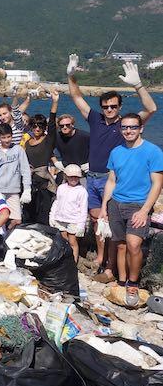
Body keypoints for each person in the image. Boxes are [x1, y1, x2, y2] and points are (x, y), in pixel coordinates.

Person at [67, 55, 157, 277]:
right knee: (98, 221)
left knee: (113, 226)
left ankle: (111, 267)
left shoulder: (127, 124)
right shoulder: (94, 119)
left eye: (113, 106)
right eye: (106, 106)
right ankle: (102, 259)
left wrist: (137, 85)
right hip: (93, 178)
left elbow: (151, 108)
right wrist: (71, 76)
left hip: (112, 180)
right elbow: (76, 96)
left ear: (120, 106)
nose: (109, 109)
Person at [100, 113, 163, 306]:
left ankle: (133, 283)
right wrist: (104, 206)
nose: (128, 131)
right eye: (125, 127)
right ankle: (121, 281)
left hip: (138, 205)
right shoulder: (116, 152)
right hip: (116, 203)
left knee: (134, 245)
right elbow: (111, 181)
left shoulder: (153, 151)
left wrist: (145, 210)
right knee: (119, 245)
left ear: (141, 128)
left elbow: (157, 183)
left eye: (133, 127)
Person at [23, 89, 59, 225]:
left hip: (44, 185)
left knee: (43, 217)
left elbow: (52, 124)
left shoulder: (48, 140)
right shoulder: (27, 142)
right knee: (28, 216)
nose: (37, 128)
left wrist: (54, 102)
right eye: (34, 125)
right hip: (29, 183)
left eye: (40, 126)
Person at [0, 123, 32, 228]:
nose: (6, 140)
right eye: (3, 137)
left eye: (9, 136)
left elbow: (25, 170)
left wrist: (27, 189)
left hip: (13, 190)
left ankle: (8, 235)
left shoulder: (18, 150)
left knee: (17, 219)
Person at [49, 164, 88, 263]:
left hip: (74, 220)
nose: (73, 179)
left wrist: (81, 225)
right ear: (66, 176)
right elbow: (57, 202)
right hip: (60, 219)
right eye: (71, 176)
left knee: (72, 242)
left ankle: (73, 263)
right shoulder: (61, 187)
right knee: (62, 241)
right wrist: (52, 215)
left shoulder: (82, 191)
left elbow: (83, 209)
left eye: (76, 177)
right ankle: (63, 262)